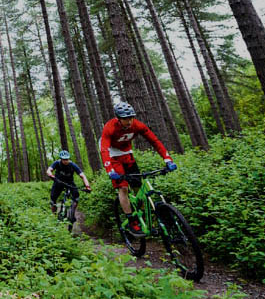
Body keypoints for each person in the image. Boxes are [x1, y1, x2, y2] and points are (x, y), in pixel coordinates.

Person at [100, 102, 176, 237]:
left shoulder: (137, 125)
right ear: (118, 118)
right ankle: (131, 220)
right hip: (112, 155)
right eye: (125, 118)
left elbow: (155, 141)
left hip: (127, 154)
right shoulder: (109, 127)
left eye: (131, 117)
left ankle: (144, 214)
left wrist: (167, 159)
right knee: (123, 188)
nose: (129, 121)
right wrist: (110, 170)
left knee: (138, 186)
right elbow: (104, 149)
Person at [47, 150, 91, 215]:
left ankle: (72, 211)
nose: (65, 161)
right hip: (58, 182)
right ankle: (54, 215)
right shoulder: (56, 163)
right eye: (64, 159)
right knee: (53, 199)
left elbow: (82, 175)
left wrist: (87, 186)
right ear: (61, 159)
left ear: (69, 158)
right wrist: (51, 175)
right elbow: (49, 170)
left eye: (67, 159)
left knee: (76, 197)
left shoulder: (72, 165)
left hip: (69, 183)